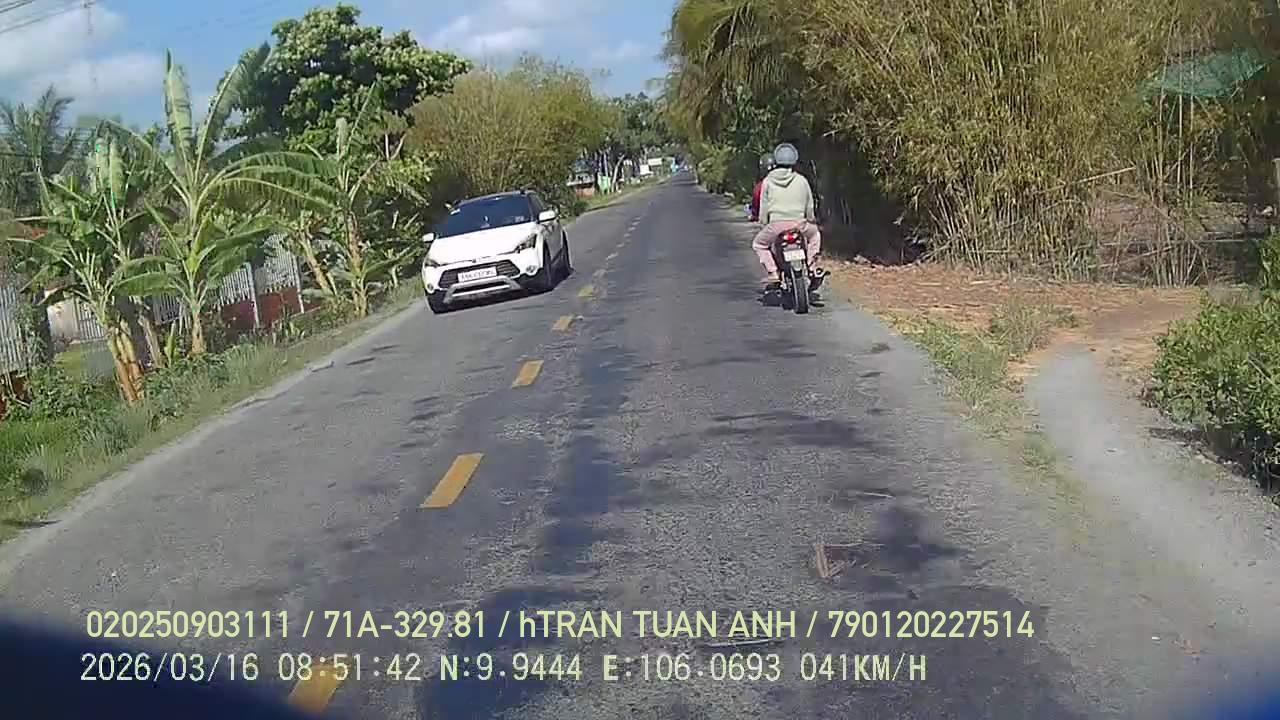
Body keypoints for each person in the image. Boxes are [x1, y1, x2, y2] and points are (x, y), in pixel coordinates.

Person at [752, 143, 824, 289]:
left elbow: (764, 208)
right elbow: (809, 205)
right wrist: (810, 220)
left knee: (759, 244)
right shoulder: (801, 180)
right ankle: (811, 266)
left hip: (776, 225)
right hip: (799, 224)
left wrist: (763, 224)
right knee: (815, 235)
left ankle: (773, 272)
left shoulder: (768, 181)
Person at [749, 153, 774, 222]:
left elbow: (756, 207)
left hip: (772, 222)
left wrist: (755, 215)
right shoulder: (793, 180)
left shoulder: (760, 186)